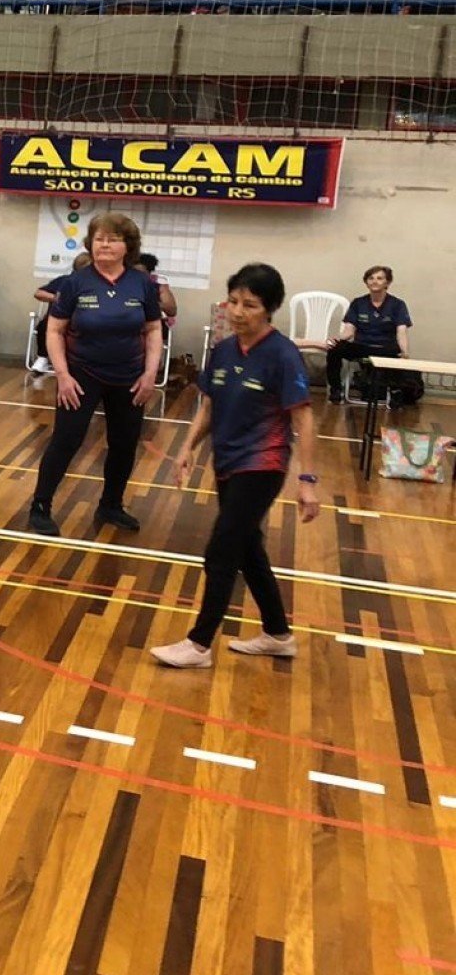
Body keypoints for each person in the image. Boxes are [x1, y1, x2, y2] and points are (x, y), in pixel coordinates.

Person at [150, 264, 319, 669]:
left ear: (270, 309)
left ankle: (199, 645)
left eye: (251, 305)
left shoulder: (282, 355)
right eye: (235, 301)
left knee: (222, 549)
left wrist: (308, 481)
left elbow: (304, 419)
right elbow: (209, 404)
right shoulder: (224, 350)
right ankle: (278, 635)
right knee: (248, 550)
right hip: (226, 460)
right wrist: (188, 446)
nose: (239, 311)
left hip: (263, 463)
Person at [28, 212, 163, 537]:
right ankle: (40, 506)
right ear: (91, 243)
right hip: (82, 375)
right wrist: (62, 374)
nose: (105, 244)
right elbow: (55, 330)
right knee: (66, 439)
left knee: (124, 444)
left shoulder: (141, 283)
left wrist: (149, 375)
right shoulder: (76, 283)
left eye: (113, 239)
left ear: (127, 246)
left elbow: (154, 329)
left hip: (129, 377)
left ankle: (111, 505)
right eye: (99, 238)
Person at [323, 265, 413, 404]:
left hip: (385, 348)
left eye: (379, 278)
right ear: (366, 282)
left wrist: (405, 352)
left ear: (387, 283)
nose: (374, 281)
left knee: (398, 355)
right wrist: (337, 340)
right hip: (362, 346)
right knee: (334, 349)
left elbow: (401, 332)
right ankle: (336, 390)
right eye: (371, 278)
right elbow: (349, 331)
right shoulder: (358, 303)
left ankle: (395, 392)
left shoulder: (397, 304)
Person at [31, 250, 91, 376]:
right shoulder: (64, 281)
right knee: (44, 326)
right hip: (59, 319)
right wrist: (57, 298)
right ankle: (42, 358)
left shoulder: (95, 284)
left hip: (83, 319)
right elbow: (39, 293)